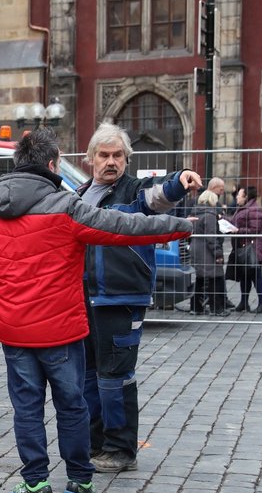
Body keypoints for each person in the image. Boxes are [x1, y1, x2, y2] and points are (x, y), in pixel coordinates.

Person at [0, 128, 192, 493]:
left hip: (14, 331)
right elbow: (122, 227)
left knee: (26, 408)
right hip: (62, 328)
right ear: (54, 163)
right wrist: (178, 227)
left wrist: (1, 309)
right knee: (72, 404)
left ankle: (36, 483)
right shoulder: (66, 206)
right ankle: (80, 480)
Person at [77, 122, 202, 473]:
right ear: (91, 159)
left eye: (118, 155)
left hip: (120, 297)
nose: (111, 161)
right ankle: (95, 441)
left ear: (127, 159)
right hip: (82, 298)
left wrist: (180, 179)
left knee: (115, 376)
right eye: (104, 155)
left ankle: (120, 448)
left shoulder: (134, 191)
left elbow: (159, 193)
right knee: (87, 375)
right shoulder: (78, 194)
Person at [189, 190, 228, 316]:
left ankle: (196, 307)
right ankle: (216, 308)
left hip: (196, 248)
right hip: (206, 251)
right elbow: (212, 237)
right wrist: (218, 254)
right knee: (215, 278)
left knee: (200, 279)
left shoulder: (195, 213)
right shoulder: (209, 215)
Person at [230, 186, 262, 313]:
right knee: (244, 275)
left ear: (246, 197)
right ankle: (243, 302)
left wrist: (238, 231)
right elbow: (234, 222)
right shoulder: (242, 208)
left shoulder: (254, 209)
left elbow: (255, 230)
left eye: (239, 195)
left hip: (254, 247)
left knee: (256, 275)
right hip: (244, 246)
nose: (236, 197)